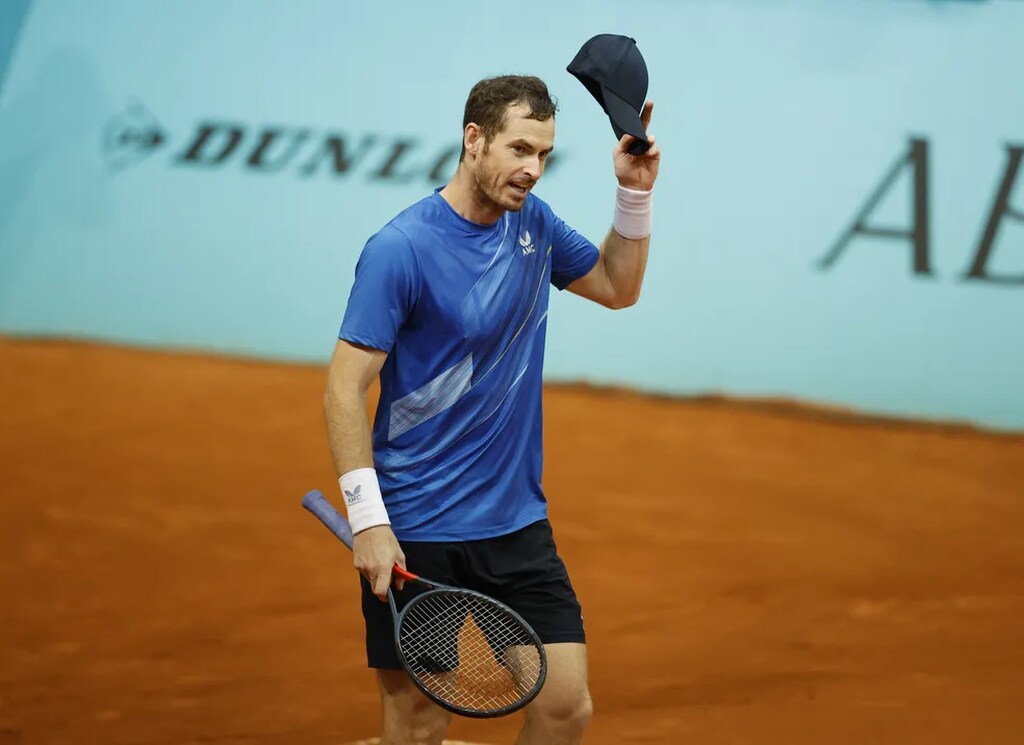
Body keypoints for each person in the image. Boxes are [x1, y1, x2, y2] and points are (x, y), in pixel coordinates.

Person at [323, 74, 660, 745]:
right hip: (416, 530)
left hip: (516, 525)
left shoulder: (531, 223)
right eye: (518, 149)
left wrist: (633, 192)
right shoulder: (402, 249)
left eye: (543, 155)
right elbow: (342, 388)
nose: (532, 169)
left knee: (566, 706)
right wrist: (368, 522)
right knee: (418, 725)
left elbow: (618, 286)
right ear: (473, 140)